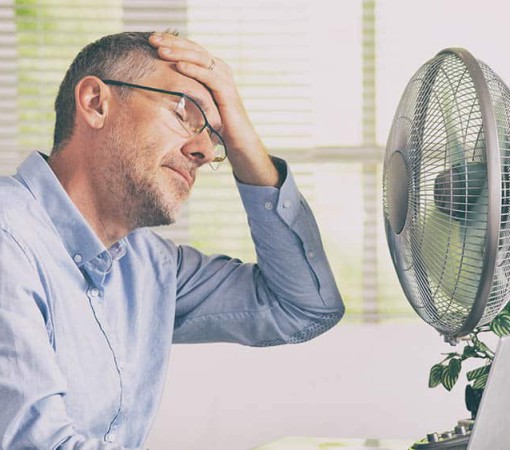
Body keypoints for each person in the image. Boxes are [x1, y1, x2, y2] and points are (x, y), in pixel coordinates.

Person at [0, 31, 344, 449]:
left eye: (216, 140)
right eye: (184, 113)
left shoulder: (149, 268)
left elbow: (305, 309)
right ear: (95, 103)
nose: (203, 151)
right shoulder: (9, 240)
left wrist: (243, 140)